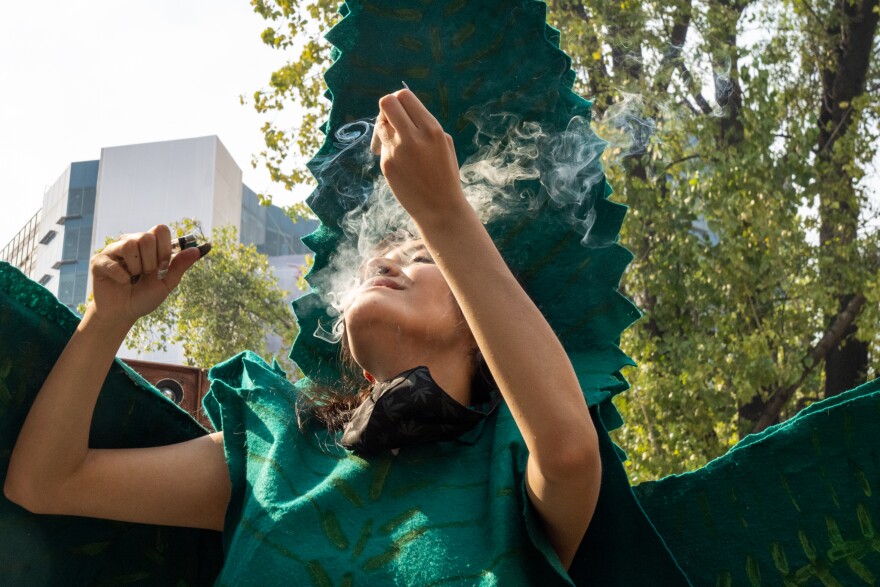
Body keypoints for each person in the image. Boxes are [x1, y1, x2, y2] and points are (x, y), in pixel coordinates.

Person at [4, 90, 601, 576]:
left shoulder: (513, 465)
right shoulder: (276, 451)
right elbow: (45, 482)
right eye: (380, 259)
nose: (382, 263)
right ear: (362, 369)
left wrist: (444, 214)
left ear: (483, 330)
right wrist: (107, 318)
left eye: (422, 258)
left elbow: (570, 452)